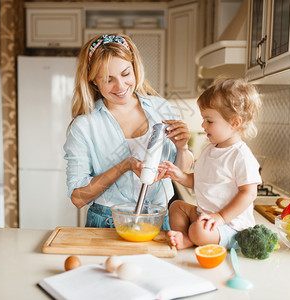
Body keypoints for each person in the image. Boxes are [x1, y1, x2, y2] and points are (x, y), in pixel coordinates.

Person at [63, 33, 193, 229]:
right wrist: (124, 166)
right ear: (94, 81)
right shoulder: (84, 126)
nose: (121, 86)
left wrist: (182, 148)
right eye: (108, 79)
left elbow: (179, 172)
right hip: (108, 222)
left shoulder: (161, 109)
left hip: (158, 219)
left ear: (135, 68)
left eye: (125, 74)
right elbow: (78, 198)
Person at [158, 78, 262, 249]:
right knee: (177, 206)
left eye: (209, 121)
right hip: (205, 216)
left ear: (235, 122)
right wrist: (180, 176)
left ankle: (191, 238)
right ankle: (185, 236)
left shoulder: (240, 155)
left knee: (199, 230)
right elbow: (200, 181)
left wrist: (220, 217)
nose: (203, 125)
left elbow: (249, 194)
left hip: (231, 226)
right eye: (204, 119)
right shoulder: (210, 149)